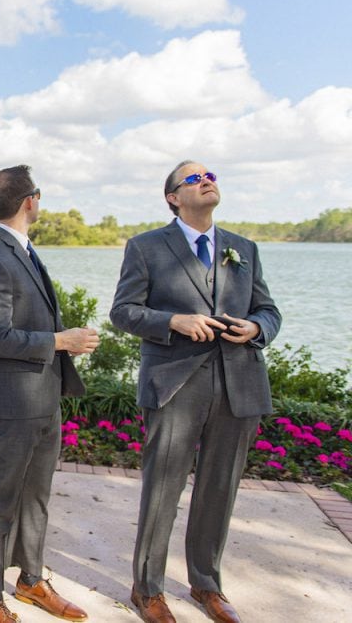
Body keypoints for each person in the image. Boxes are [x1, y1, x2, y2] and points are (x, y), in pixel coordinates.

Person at [110, 161, 281, 623]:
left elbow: (269, 310)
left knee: (219, 488)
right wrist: (173, 320)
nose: (207, 180)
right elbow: (123, 312)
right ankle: (147, 590)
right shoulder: (146, 247)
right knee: (162, 488)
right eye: (193, 178)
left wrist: (256, 327)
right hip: (174, 384)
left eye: (211, 175)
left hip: (238, 384)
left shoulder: (243, 248)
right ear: (172, 197)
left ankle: (206, 585)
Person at [0, 166, 98, 623]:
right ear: (30, 201)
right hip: (5, 406)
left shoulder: (21, 251)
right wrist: (62, 341)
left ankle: (30, 579)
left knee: (37, 496)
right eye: (39, 195)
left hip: (43, 398)